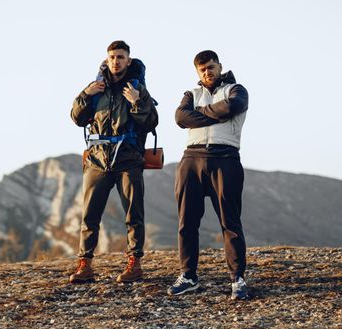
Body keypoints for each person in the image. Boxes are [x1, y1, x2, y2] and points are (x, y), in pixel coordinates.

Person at [69, 40, 158, 283]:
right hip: (97, 160)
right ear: (107, 60)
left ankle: (135, 265)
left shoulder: (137, 88)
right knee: (89, 216)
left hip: (128, 159)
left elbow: (151, 123)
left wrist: (137, 101)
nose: (116, 61)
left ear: (128, 61)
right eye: (112, 57)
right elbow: (77, 118)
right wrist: (85, 95)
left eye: (120, 57)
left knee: (133, 214)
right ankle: (84, 266)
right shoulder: (95, 88)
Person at [167, 50, 249, 300]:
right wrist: (216, 114)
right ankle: (188, 276)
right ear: (197, 72)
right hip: (191, 159)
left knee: (230, 222)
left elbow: (233, 107)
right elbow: (180, 117)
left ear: (220, 66)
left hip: (225, 158)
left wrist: (199, 116)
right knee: (187, 222)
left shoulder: (237, 89)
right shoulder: (191, 94)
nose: (207, 71)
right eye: (202, 69)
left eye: (211, 67)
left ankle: (237, 279)